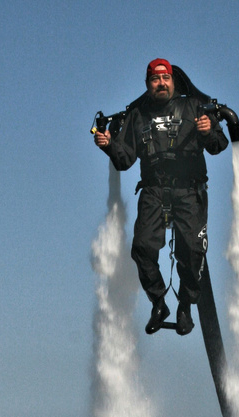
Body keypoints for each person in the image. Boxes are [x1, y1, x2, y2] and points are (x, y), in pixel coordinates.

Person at [93, 59, 229, 336]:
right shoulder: (137, 115)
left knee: (191, 251)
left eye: (166, 78)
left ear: (173, 82)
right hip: (153, 190)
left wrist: (207, 131)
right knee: (142, 248)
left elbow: (218, 145)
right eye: (156, 80)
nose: (161, 83)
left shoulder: (193, 108)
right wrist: (108, 146)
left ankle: (185, 305)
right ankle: (158, 301)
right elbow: (124, 160)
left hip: (189, 190)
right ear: (148, 84)